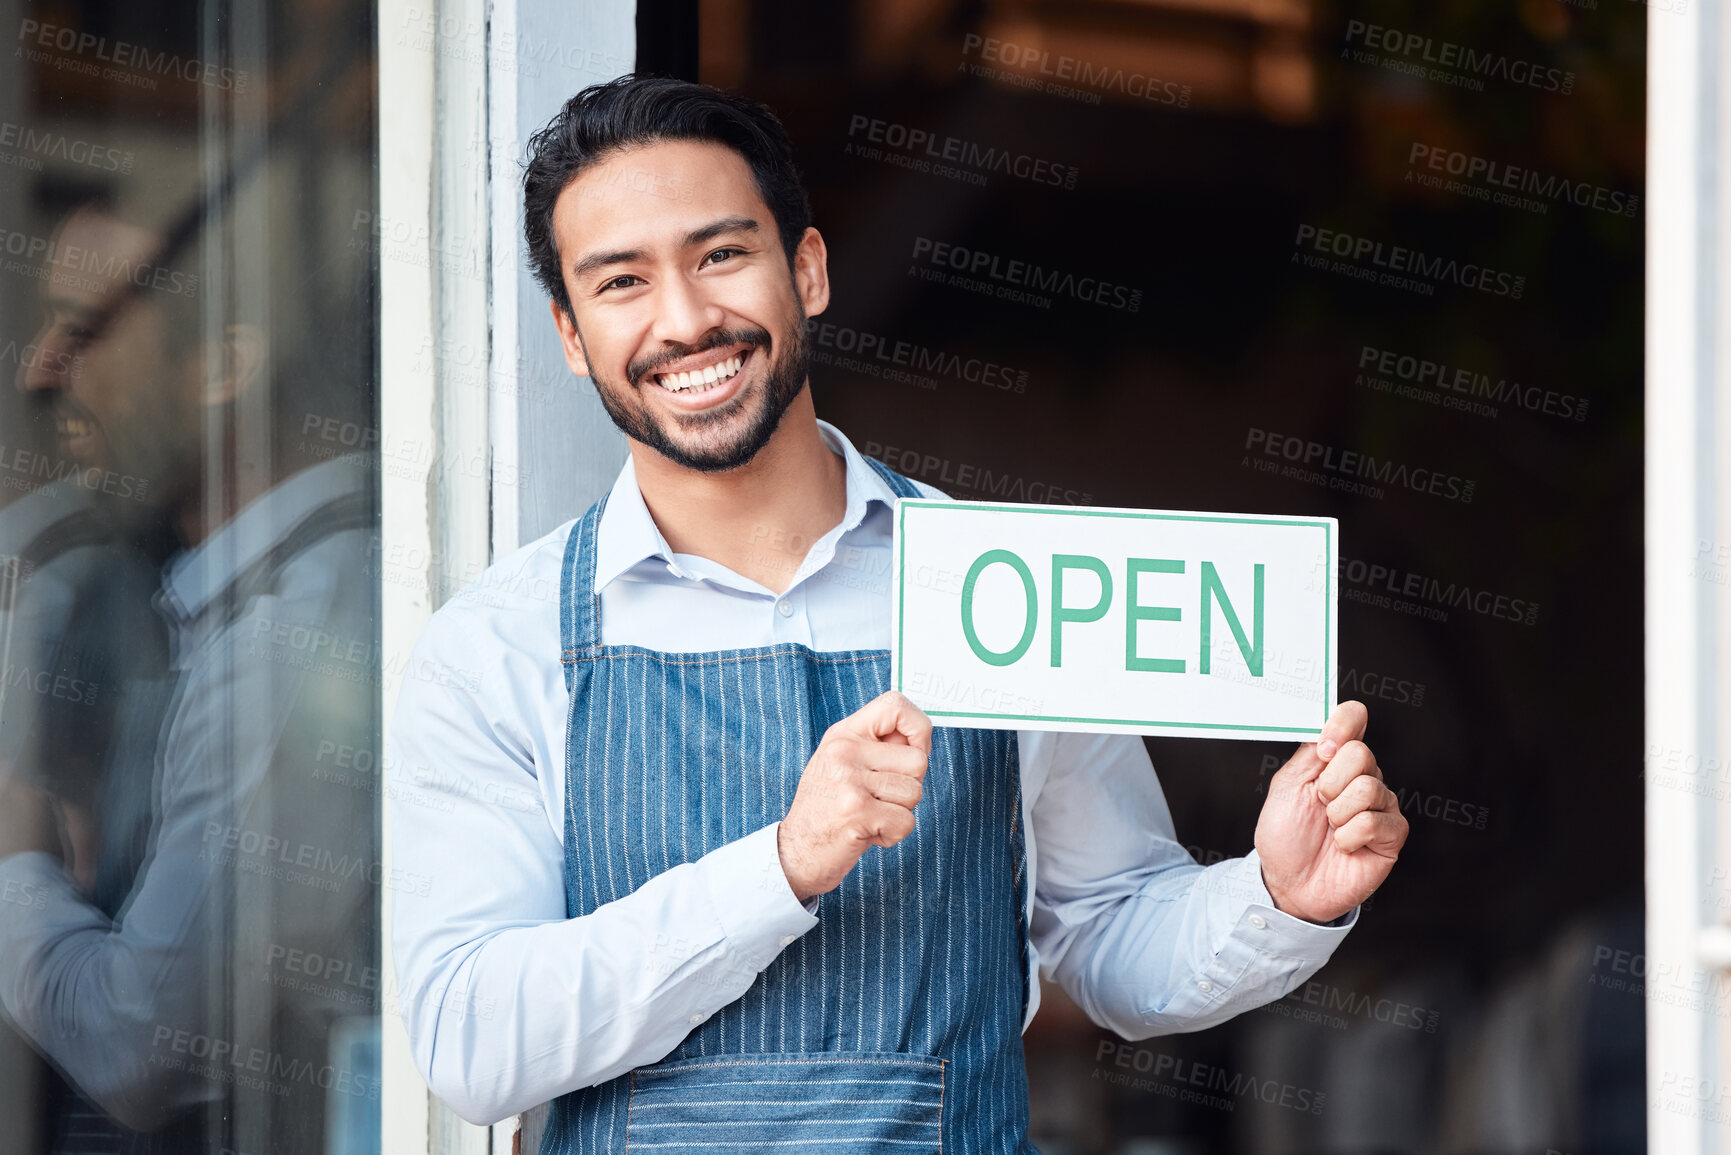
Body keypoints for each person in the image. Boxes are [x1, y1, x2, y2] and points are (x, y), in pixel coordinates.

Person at [388, 75, 1408, 1153]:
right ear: (570, 333)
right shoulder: (500, 645)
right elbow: (471, 1043)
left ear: (809, 271)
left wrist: (1280, 900)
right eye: (622, 282)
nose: (684, 320)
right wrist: (782, 864)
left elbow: (1110, 932)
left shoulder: (1009, 586)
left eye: (722, 255)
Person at [0, 195, 381, 1154]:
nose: (39, 368)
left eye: (83, 332)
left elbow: (139, 1050)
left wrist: (15, 857)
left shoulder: (285, 638)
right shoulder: (175, 590)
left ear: (223, 365)